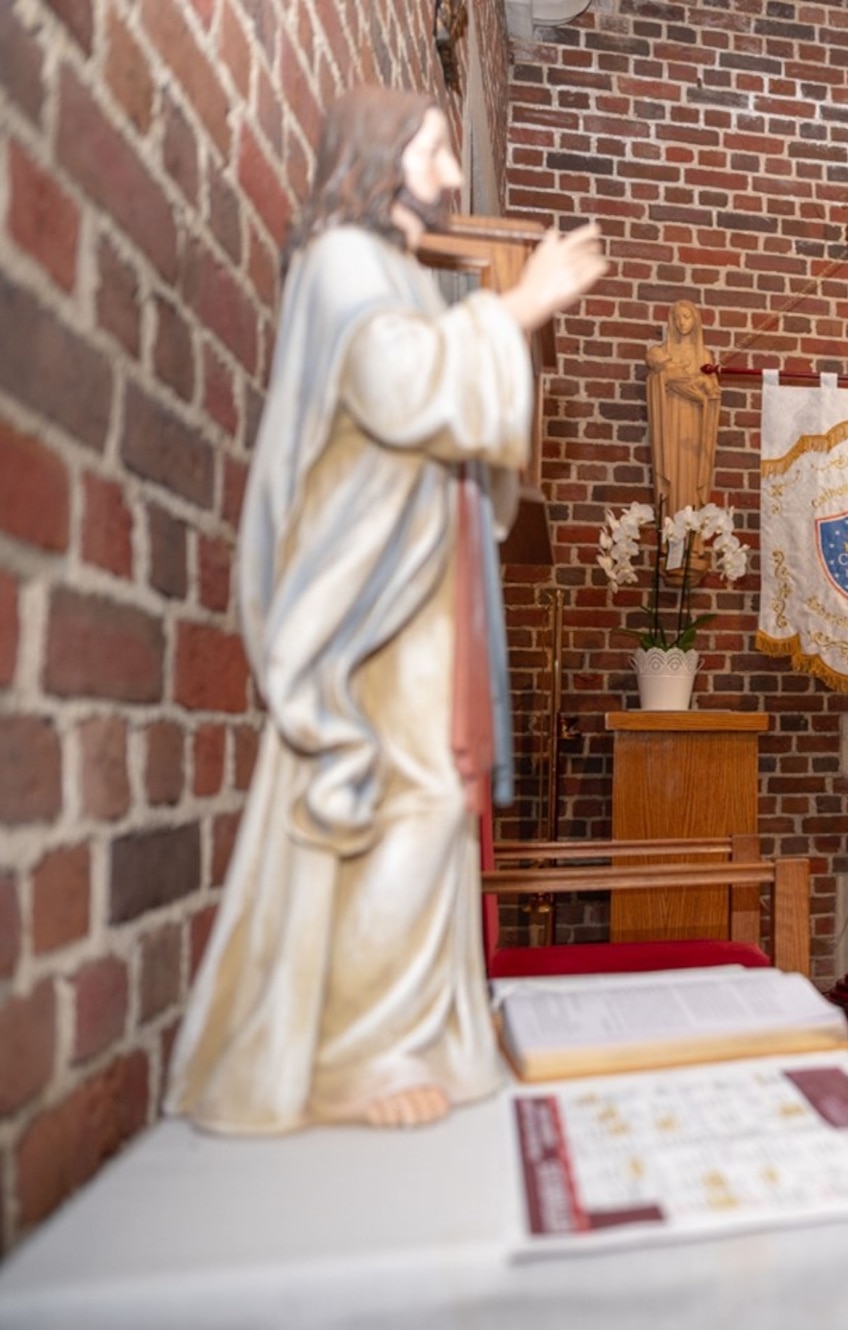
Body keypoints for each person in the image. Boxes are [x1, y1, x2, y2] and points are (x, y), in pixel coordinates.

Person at [167, 87, 606, 1133]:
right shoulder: (340, 264)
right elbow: (399, 387)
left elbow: (442, 411)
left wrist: (494, 330)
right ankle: (357, 1054)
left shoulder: (392, 271)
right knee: (400, 805)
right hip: (370, 592)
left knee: (428, 805)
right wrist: (520, 305)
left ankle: (397, 1034)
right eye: (436, 152)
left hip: (417, 581)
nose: (450, 178)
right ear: (380, 157)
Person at [646, 298, 722, 512]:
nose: (681, 322)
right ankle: (670, 524)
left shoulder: (704, 355)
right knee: (671, 466)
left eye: (686, 317)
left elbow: (713, 391)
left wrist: (704, 386)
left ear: (695, 321)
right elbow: (656, 380)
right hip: (669, 419)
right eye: (676, 318)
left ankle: (691, 533)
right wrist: (667, 378)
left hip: (695, 421)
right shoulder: (661, 352)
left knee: (690, 469)